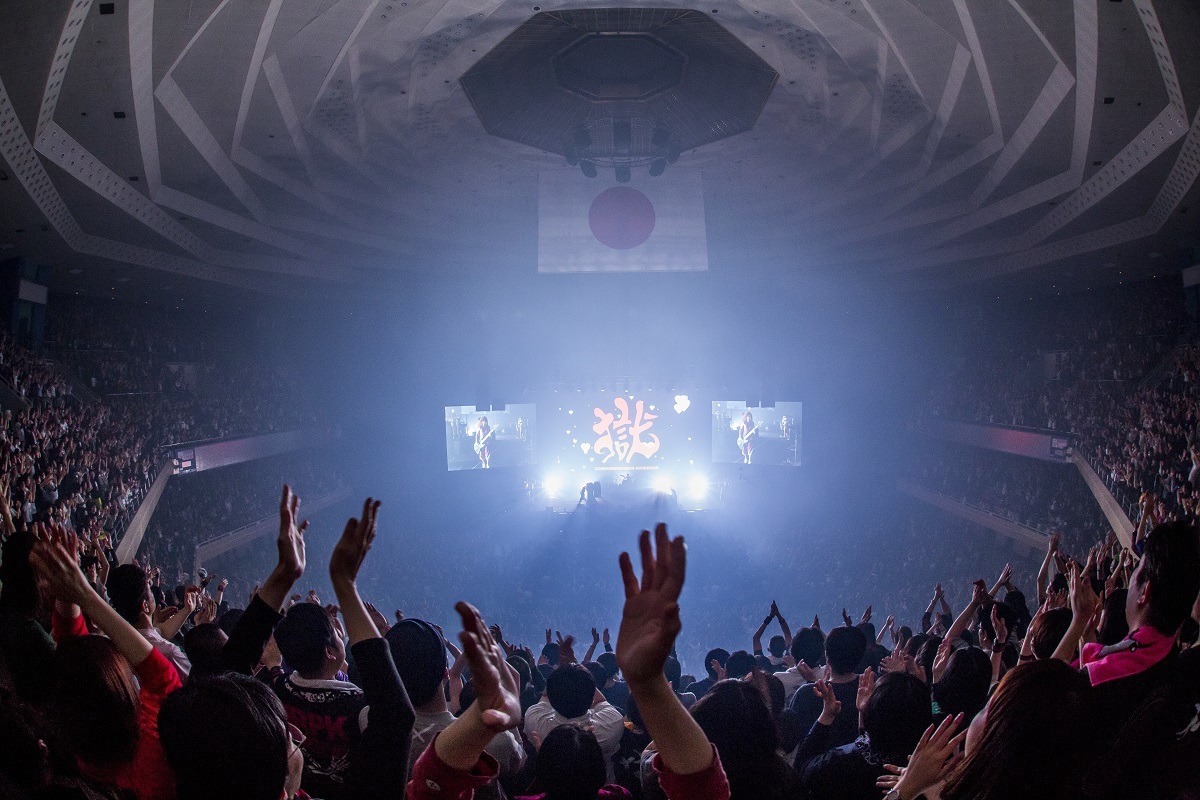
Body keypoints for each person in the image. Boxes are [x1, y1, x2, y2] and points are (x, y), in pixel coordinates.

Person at [408, 523, 731, 799]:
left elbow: (431, 790)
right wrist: (647, 683)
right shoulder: (612, 724)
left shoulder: (535, 717)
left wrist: (481, 716)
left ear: (539, 756)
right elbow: (703, 790)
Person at [160, 492, 414, 800]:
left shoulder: (199, 758)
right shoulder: (351, 705)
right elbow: (395, 718)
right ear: (279, 785)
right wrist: (344, 583)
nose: (297, 734)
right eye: (287, 739)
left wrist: (286, 573)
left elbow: (221, 677)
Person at [389, 617, 524, 798]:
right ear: (445, 672)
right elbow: (520, 762)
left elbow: (455, 674)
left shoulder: (368, 719)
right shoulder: (495, 743)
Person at [786, 625, 866, 748]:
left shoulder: (806, 693)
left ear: (827, 657)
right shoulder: (869, 687)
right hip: (860, 762)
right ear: (860, 656)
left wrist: (812, 683)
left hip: (816, 764)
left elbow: (792, 738)